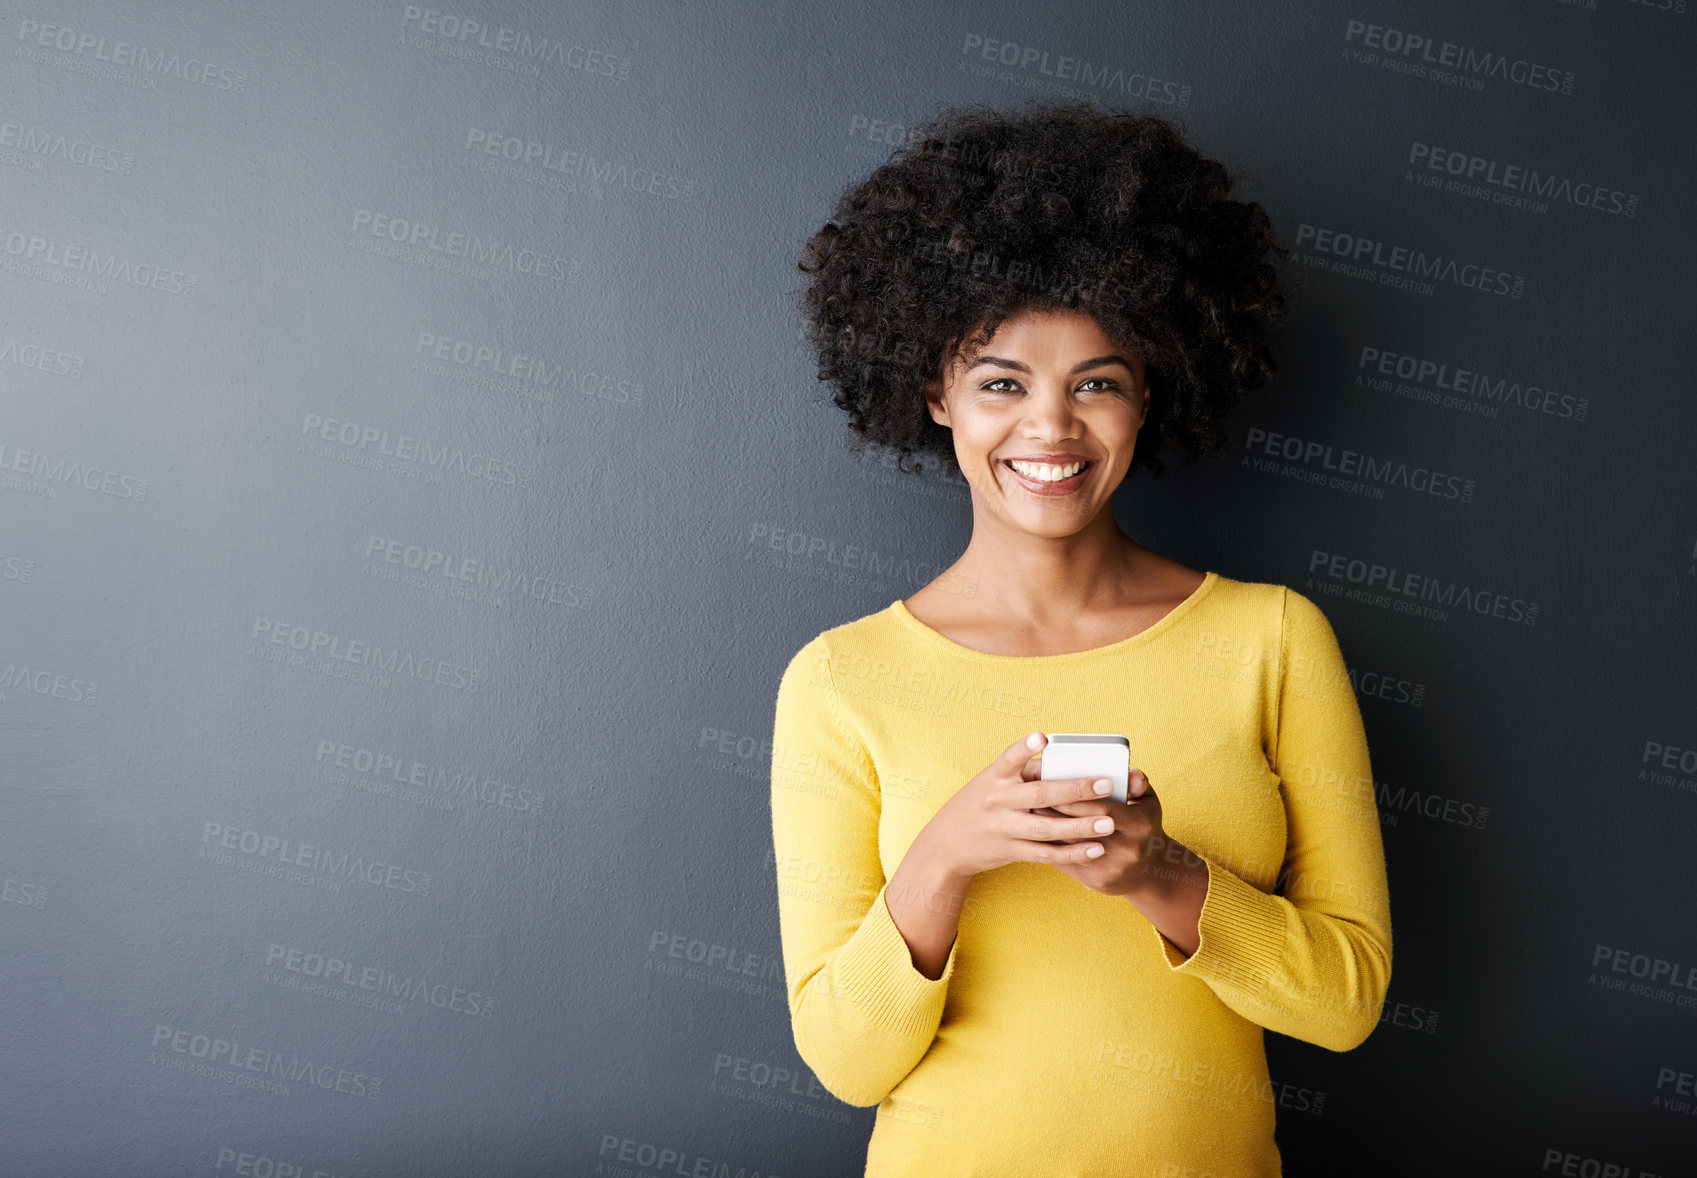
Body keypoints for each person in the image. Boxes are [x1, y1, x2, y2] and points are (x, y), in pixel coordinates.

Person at [769, 98, 1392, 1177]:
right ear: (934, 395)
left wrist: (1160, 873)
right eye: (999, 382)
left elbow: (1343, 1005)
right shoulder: (840, 679)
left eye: (1094, 382)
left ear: (1150, 390)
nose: (1049, 429)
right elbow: (845, 1060)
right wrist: (947, 852)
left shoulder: (1272, 640)